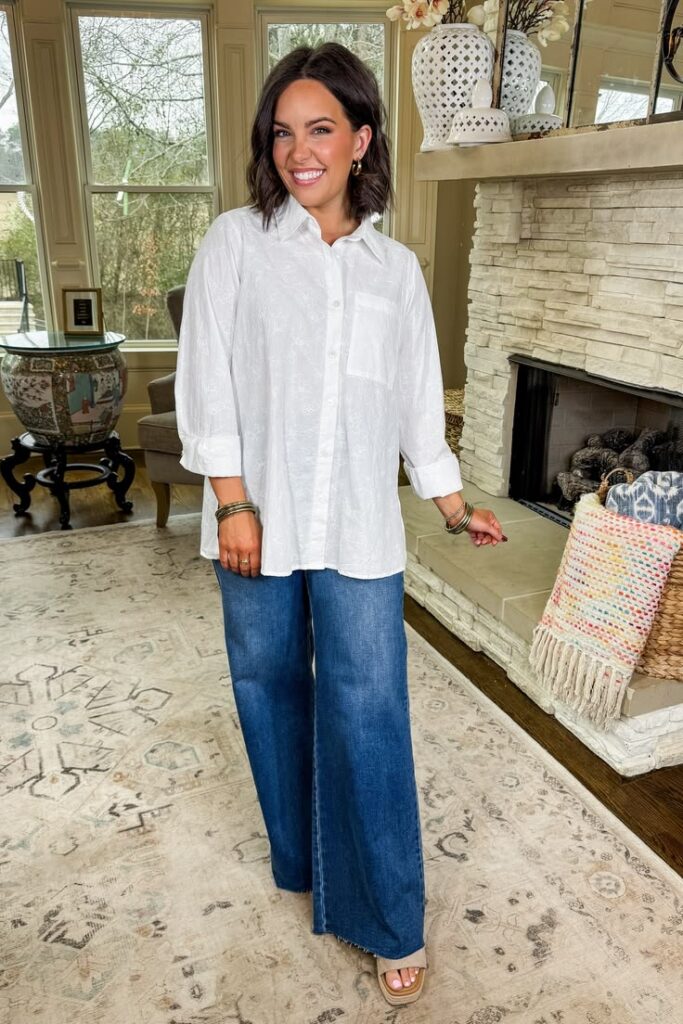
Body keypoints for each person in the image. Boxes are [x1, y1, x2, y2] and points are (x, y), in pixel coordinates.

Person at [174, 41, 505, 1006]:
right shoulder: (236, 243)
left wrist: (451, 503)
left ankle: (389, 916)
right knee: (270, 689)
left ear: (360, 139)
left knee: (369, 706)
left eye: (319, 129)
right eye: (282, 132)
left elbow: (412, 400)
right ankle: (301, 859)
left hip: (359, 524)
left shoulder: (394, 270)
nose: (298, 151)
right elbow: (207, 379)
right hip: (255, 520)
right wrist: (233, 502)